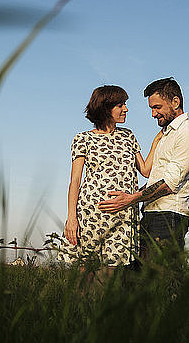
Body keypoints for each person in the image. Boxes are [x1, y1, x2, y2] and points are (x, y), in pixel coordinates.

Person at [98, 77, 189, 259]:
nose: (153, 114)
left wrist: (130, 199)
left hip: (168, 217)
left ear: (175, 102)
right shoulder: (166, 134)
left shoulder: (187, 134)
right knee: (142, 281)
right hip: (151, 213)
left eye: (157, 107)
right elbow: (155, 179)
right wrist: (129, 195)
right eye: (151, 108)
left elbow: (168, 185)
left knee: (164, 281)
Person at [58, 85, 162, 266]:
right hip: (90, 214)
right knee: (85, 274)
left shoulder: (128, 136)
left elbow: (145, 170)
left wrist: (157, 140)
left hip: (122, 216)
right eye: (120, 105)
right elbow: (75, 181)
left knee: (110, 280)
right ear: (105, 108)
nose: (126, 109)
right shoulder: (83, 139)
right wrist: (72, 218)